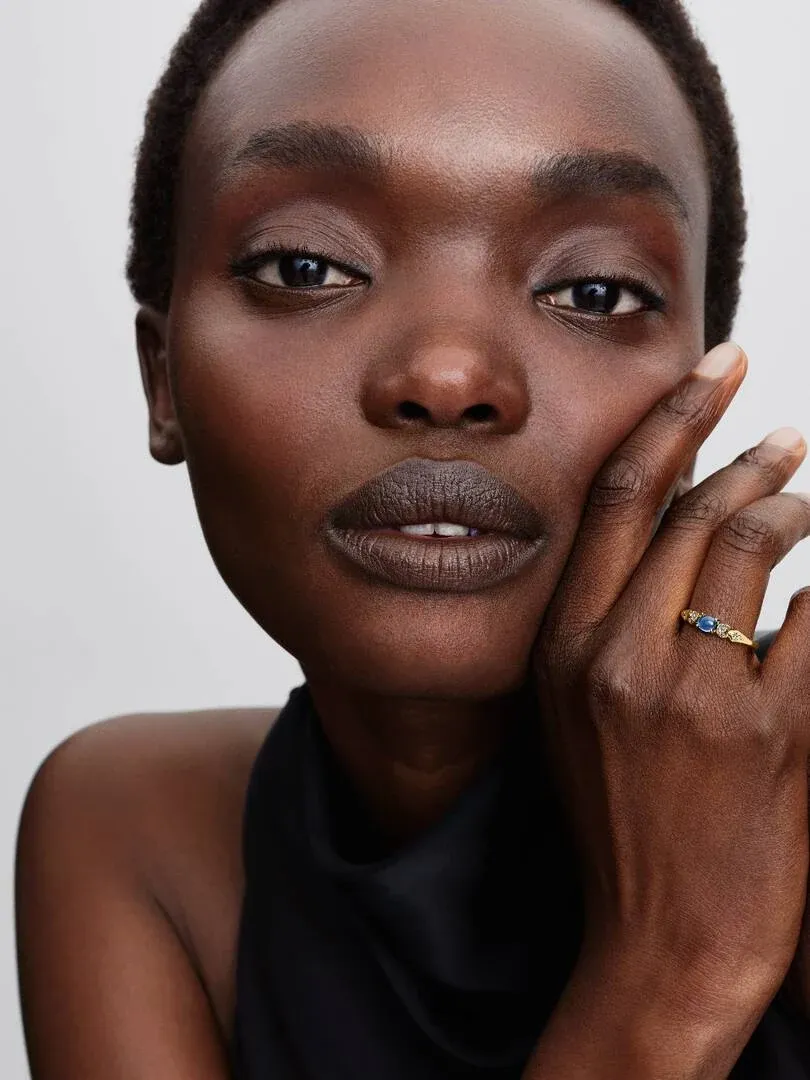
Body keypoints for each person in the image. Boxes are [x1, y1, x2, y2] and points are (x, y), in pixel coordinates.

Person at [14, 0, 810, 1076]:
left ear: (701, 387)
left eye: (593, 289)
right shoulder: (135, 833)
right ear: (163, 382)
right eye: (307, 268)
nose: (448, 378)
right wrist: (675, 977)